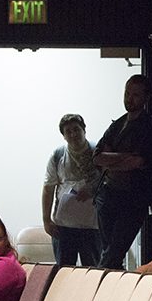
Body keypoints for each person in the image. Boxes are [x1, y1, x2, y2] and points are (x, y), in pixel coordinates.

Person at [94, 75, 152, 269]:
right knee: (109, 250)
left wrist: (111, 159)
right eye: (127, 93)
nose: (129, 99)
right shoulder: (117, 124)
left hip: (133, 198)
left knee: (114, 251)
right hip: (107, 195)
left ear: (146, 98)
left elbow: (138, 161)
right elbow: (97, 157)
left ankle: (97, 283)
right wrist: (123, 157)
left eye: (135, 95)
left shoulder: (150, 126)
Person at [43, 114, 102, 266]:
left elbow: (108, 182)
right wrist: (46, 220)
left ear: (84, 130)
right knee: (63, 272)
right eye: (68, 131)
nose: (73, 134)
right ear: (63, 136)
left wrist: (91, 189)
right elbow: (48, 188)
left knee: (93, 271)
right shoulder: (58, 155)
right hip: (63, 227)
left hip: (92, 225)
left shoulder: (99, 152)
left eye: (76, 129)